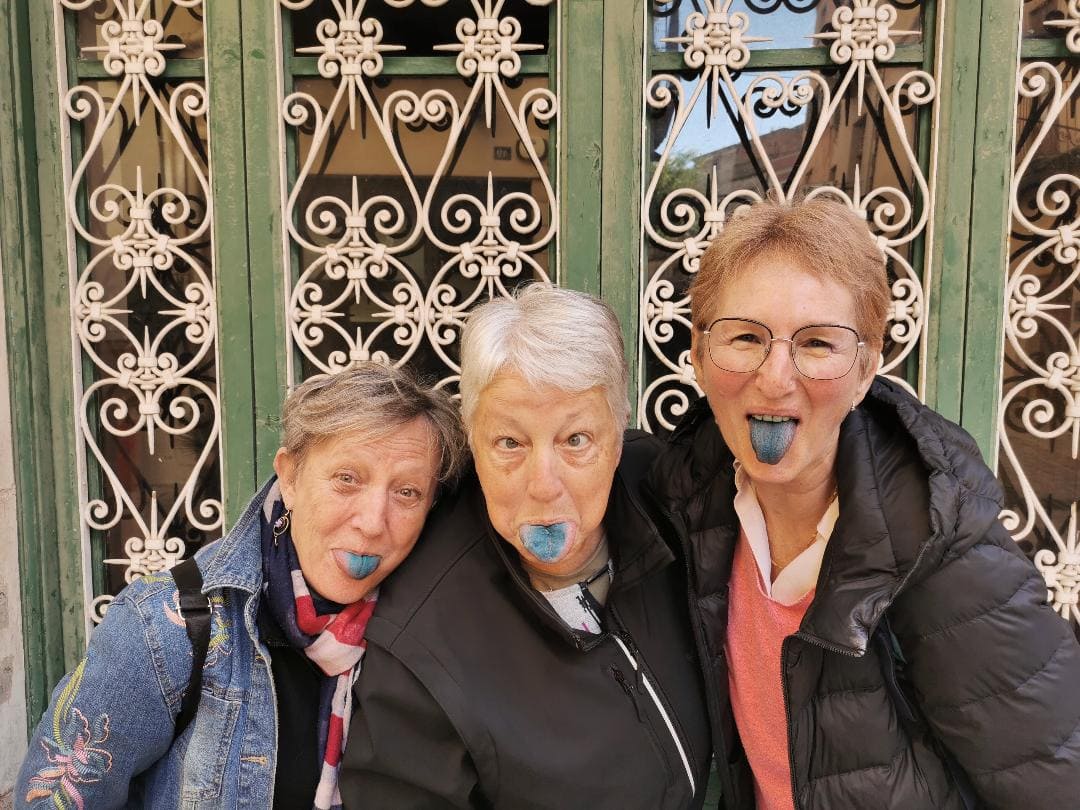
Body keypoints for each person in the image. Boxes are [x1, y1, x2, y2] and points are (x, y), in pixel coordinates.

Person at [646, 196, 1080, 809]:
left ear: (865, 369)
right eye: (744, 336)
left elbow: (1052, 777)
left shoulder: (935, 535)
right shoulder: (687, 494)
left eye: (817, 344)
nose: (775, 378)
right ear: (698, 353)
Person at [17, 362, 466, 810]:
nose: (372, 522)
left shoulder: (431, 630)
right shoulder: (165, 628)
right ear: (290, 477)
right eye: (346, 479)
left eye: (407, 492)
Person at [340, 285, 712, 809]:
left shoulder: (662, 495)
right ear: (474, 441)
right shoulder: (419, 644)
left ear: (616, 435)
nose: (543, 485)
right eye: (510, 443)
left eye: (575, 440)